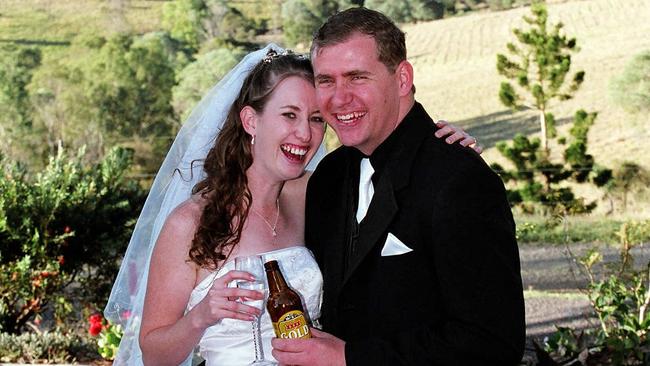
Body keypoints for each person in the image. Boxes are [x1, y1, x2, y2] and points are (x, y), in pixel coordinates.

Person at [104, 44, 480, 365]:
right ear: (251, 120)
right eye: (289, 115)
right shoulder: (190, 222)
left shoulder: (317, 194)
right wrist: (199, 318)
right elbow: (153, 353)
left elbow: (390, 170)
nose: (305, 134)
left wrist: (441, 150)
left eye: (317, 119)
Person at [272, 7, 525, 366]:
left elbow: (492, 343)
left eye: (357, 77)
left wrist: (350, 357)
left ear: (402, 79)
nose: (339, 98)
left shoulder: (459, 178)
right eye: (326, 80)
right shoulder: (328, 176)